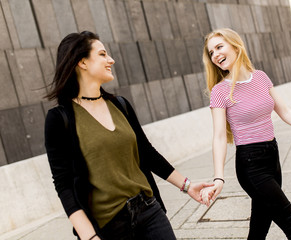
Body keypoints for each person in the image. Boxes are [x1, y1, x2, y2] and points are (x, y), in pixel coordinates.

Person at [44, 31, 213, 240]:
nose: (111, 60)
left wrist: (187, 186)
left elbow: (147, 153)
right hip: (109, 225)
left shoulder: (120, 105)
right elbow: (63, 184)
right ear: (82, 62)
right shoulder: (60, 119)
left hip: (149, 210)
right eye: (103, 54)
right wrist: (89, 237)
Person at [200, 28, 291, 240]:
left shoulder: (261, 77)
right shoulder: (220, 91)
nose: (215, 55)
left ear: (235, 46)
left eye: (219, 47)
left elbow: (284, 111)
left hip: (271, 156)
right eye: (211, 52)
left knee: (259, 226)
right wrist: (219, 177)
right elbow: (219, 136)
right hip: (250, 164)